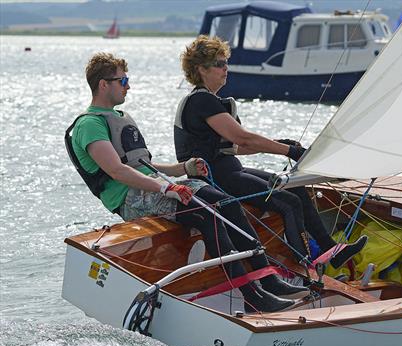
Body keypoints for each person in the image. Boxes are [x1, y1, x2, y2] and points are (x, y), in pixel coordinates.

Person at [65, 52, 307, 313]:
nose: (129, 86)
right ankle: (251, 296)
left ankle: (267, 279)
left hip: (153, 186)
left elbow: (143, 166)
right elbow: (117, 171)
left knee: (225, 202)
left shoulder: (118, 117)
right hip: (130, 198)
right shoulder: (89, 125)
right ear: (104, 84)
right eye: (123, 81)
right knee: (207, 215)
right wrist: (166, 187)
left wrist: (183, 168)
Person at [174, 35, 367, 269]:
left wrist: (281, 143)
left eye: (226, 63)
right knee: (288, 202)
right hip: (215, 179)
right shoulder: (201, 101)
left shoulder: (214, 102)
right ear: (201, 69)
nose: (226, 68)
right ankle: (305, 265)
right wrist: (291, 150)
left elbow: (237, 147)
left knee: (294, 185)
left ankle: (331, 250)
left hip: (231, 171)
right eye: (219, 64)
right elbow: (243, 137)